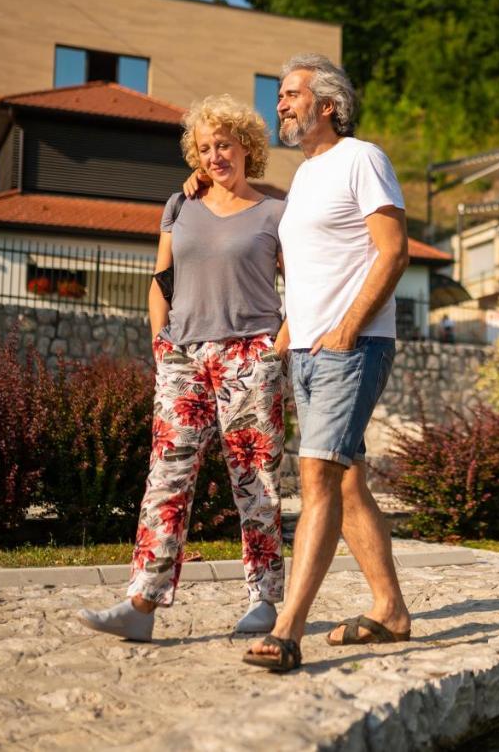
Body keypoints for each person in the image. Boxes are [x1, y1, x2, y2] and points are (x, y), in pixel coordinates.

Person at [77, 95, 288, 642]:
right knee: (165, 478)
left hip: (249, 355)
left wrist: (277, 350)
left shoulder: (275, 212)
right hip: (182, 356)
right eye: (205, 147)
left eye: (224, 144)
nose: (216, 155)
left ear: (247, 146)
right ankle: (141, 604)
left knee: (256, 482)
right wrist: (159, 341)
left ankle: (264, 599)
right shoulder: (180, 205)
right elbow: (161, 281)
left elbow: (306, 285)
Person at [239, 53, 412, 672]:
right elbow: (316, 271)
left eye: (290, 94)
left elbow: (393, 253)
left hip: (353, 346)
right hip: (310, 348)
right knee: (344, 479)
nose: (279, 104)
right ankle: (390, 610)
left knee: (314, 479)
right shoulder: (307, 176)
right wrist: (288, 335)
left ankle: (288, 629)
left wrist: (346, 329)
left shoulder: (361, 158)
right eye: (280, 95)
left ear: (327, 105)